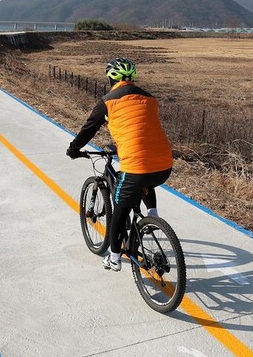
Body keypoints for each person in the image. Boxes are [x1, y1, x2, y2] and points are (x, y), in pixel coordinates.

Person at [66, 57, 174, 272]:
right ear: (132, 77)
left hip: (137, 165)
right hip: (164, 164)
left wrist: (74, 148)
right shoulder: (150, 98)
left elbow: (89, 129)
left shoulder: (108, 100)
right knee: (145, 176)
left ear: (110, 78)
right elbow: (140, 128)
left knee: (119, 211)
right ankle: (152, 216)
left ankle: (114, 258)